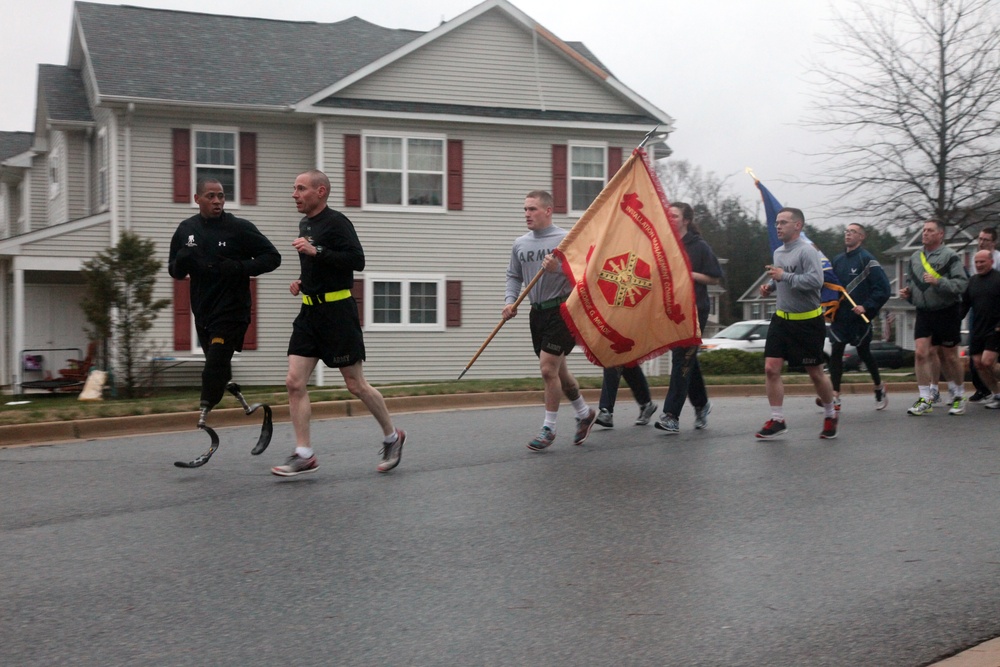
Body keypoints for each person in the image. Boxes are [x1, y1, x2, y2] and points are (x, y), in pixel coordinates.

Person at [271, 170, 405, 476]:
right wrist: (302, 283)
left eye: (300, 188)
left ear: (320, 192)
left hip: (338, 314)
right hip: (309, 314)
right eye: (294, 188)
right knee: (294, 382)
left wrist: (316, 251)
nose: (294, 194)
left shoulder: (337, 222)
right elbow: (320, 267)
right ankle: (304, 453)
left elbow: (356, 260)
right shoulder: (305, 223)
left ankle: (392, 436)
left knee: (355, 384)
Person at [168, 177, 281, 427]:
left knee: (214, 366)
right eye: (211, 196)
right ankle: (235, 392)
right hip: (203, 312)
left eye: (221, 195)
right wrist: (182, 262)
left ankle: (204, 415)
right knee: (217, 365)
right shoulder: (185, 230)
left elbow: (273, 257)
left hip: (233, 310)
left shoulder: (239, 228)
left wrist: (240, 267)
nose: (217, 201)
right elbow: (174, 272)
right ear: (197, 199)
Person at [503, 190, 597, 451]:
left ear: (547, 210)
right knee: (559, 373)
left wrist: (561, 268)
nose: (527, 214)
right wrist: (509, 301)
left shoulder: (566, 240)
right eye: (524, 209)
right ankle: (585, 414)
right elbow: (513, 275)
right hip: (537, 312)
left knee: (547, 370)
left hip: (563, 311)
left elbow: (586, 275)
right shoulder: (520, 244)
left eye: (532, 209)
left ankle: (549, 429)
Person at [756, 207, 839, 439]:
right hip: (782, 319)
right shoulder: (779, 252)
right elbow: (782, 277)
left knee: (815, 373)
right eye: (776, 223)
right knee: (771, 369)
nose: (778, 227)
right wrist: (771, 286)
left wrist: (784, 276)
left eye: (783, 222)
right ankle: (777, 419)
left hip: (808, 322)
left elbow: (815, 281)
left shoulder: (807, 251)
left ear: (798, 225)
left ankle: (831, 413)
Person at [654, 202, 723, 434]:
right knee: (686, 359)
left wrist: (688, 273)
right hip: (671, 308)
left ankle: (671, 415)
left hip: (694, 310)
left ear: (685, 220)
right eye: (668, 215)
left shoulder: (699, 246)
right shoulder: (665, 244)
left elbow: (714, 278)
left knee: (682, 358)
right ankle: (702, 405)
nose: (670, 218)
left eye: (674, 216)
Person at [899, 218, 969, 416]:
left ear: (940, 234)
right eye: (923, 230)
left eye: (930, 230)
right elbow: (912, 283)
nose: (925, 233)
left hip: (946, 311)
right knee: (921, 353)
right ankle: (925, 398)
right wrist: (907, 294)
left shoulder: (950, 256)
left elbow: (961, 285)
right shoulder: (914, 257)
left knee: (949, 357)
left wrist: (939, 281)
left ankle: (959, 395)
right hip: (924, 312)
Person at [825, 223, 891, 410]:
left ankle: (879, 386)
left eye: (853, 232)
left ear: (861, 237)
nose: (848, 234)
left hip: (860, 318)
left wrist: (867, 306)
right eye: (846, 231)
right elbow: (830, 285)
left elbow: (884, 289)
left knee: (864, 353)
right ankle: (835, 395)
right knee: (836, 351)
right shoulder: (837, 260)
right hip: (840, 316)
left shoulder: (868, 260)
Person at [959, 250, 1000, 408]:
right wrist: (955, 321)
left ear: (991, 261)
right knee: (978, 364)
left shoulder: (998, 279)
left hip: (995, 328)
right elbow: (964, 305)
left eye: (982, 262)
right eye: (976, 262)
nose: (978, 265)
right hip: (978, 329)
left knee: (988, 361)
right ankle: (996, 395)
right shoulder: (973, 282)